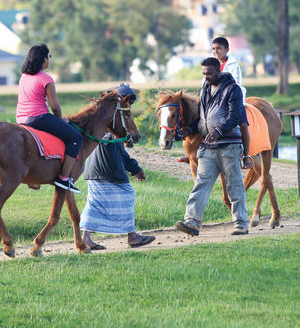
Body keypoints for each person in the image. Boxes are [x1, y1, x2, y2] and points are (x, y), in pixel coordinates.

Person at [175, 56, 250, 237]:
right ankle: (192, 222)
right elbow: (203, 119)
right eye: (203, 73)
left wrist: (219, 130)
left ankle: (241, 224)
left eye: (209, 73)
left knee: (234, 186)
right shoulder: (205, 90)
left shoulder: (233, 90)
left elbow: (234, 116)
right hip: (208, 147)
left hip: (229, 146)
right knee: (201, 184)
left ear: (218, 71)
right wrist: (189, 130)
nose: (206, 76)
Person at [79, 84, 156, 250]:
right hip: (107, 167)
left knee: (94, 203)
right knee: (127, 195)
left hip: (92, 168)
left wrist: (135, 168)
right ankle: (132, 236)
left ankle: (85, 238)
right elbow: (119, 151)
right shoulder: (111, 118)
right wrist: (135, 168)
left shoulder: (100, 116)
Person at [15, 43, 82, 193]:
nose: (50, 58)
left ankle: (32, 179)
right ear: (44, 59)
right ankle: (64, 178)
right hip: (38, 118)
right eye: (49, 56)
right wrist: (60, 120)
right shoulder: (46, 79)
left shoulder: (24, 77)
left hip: (21, 119)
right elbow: (55, 107)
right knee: (76, 137)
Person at [210, 36, 253, 169]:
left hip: (232, 101)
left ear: (227, 49)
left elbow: (237, 85)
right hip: (213, 101)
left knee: (243, 124)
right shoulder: (210, 64)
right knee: (200, 120)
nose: (215, 51)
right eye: (213, 49)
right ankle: (194, 152)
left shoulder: (234, 66)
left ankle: (246, 156)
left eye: (219, 49)